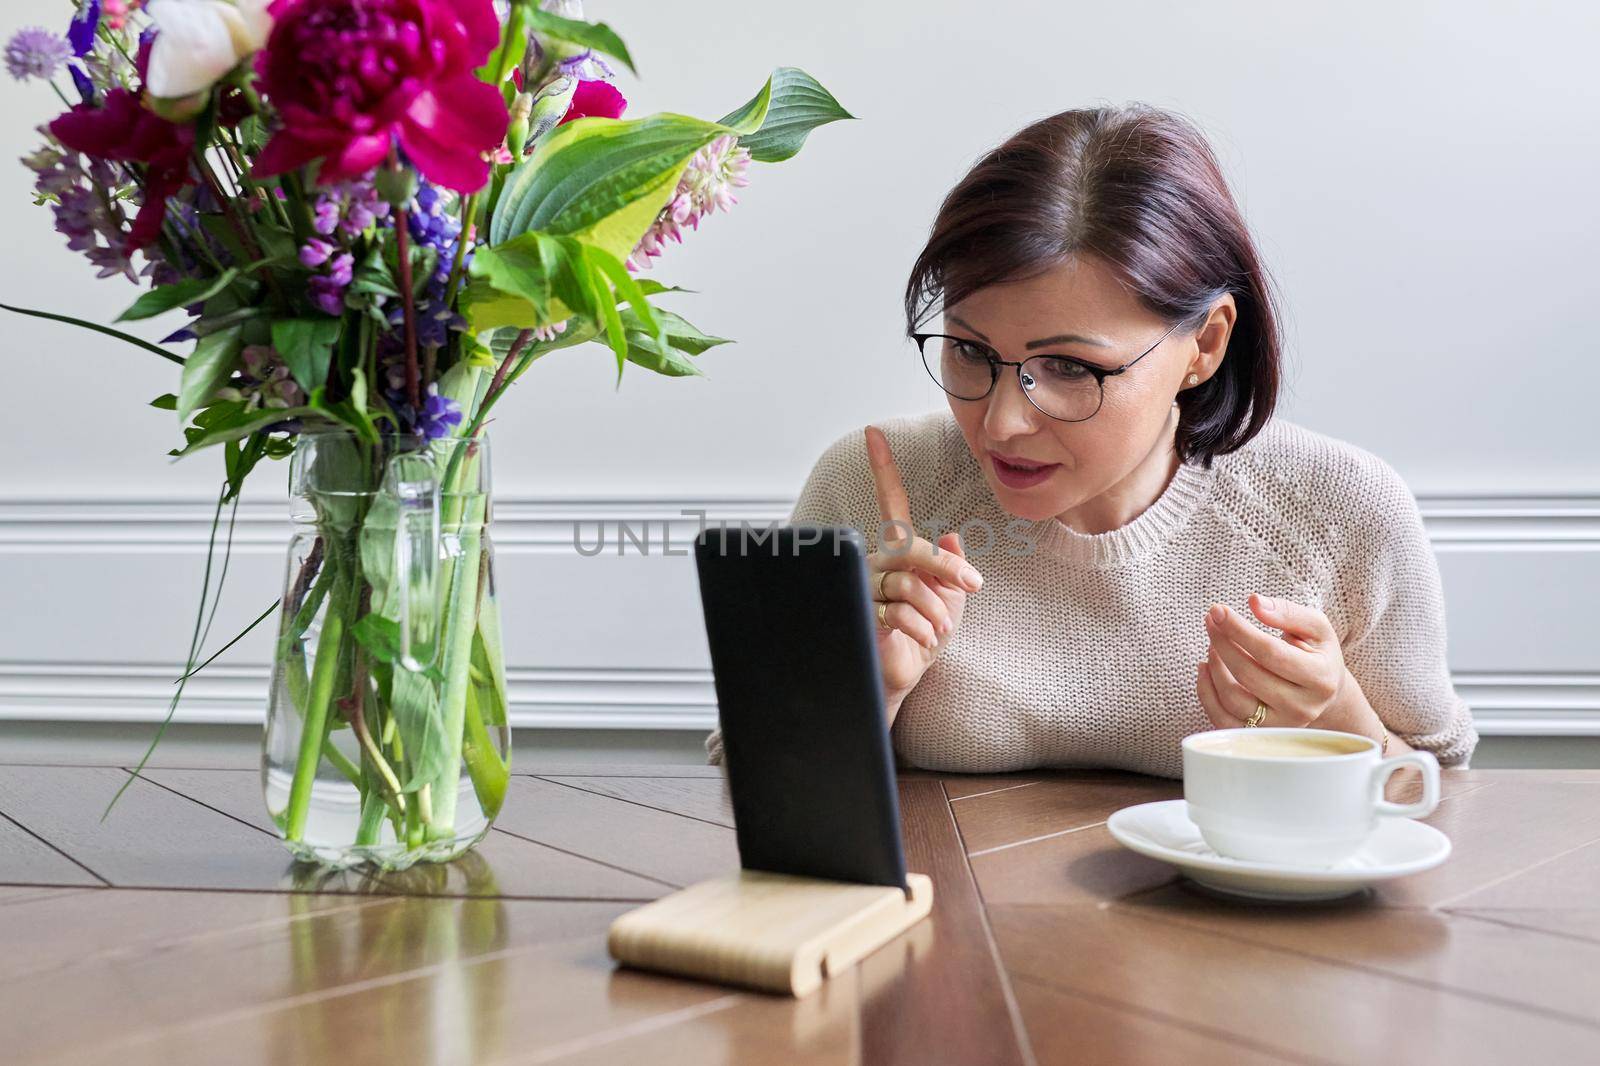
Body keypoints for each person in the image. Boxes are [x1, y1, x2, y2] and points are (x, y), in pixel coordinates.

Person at [705, 104, 1477, 777]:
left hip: (1247, 940)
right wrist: (868, 693)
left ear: (1204, 345)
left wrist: (1338, 720)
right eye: (971, 351)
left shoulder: (1338, 511)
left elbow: (1439, 791)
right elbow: (753, 784)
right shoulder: (869, 490)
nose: (1003, 422)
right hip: (939, 931)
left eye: (1070, 367)